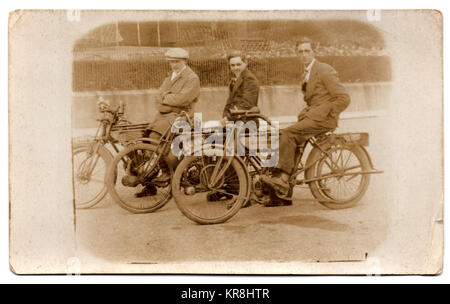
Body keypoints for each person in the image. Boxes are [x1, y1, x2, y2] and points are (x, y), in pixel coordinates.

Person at [261, 37, 351, 205]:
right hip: (313, 117)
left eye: (307, 51)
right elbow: (314, 99)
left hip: (323, 119)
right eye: (300, 52)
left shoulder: (323, 69)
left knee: (289, 133)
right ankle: (283, 195)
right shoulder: (307, 73)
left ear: (313, 52)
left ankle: (283, 178)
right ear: (297, 54)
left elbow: (344, 98)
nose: (304, 54)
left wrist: (324, 112)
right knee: (287, 139)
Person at [135, 48, 201, 197]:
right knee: (145, 140)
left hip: (183, 117)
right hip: (165, 115)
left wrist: (166, 98)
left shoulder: (192, 78)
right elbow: (157, 99)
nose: (174, 65)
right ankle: (150, 181)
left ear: (185, 61)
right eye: (171, 62)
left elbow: (183, 99)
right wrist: (168, 98)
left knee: (155, 138)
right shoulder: (170, 77)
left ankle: (167, 173)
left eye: (177, 62)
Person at [222, 50, 259, 120]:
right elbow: (229, 102)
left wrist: (227, 119)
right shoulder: (235, 80)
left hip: (246, 122)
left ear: (245, 63)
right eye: (232, 65)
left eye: (238, 64)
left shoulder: (249, 79)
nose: (235, 68)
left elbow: (247, 104)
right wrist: (224, 117)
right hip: (234, 119)